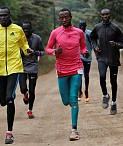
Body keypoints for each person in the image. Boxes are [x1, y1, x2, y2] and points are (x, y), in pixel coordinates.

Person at [0, 6, 33, 144]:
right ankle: (9, 96)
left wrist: (28, 50)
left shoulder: (18, 29)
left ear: (9, 15)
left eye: (5, 15)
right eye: (0, 15)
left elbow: (24, 44)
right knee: (3, 101)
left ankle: (9, 133)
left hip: (14, 67)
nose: (2, 17)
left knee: (9, 99)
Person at [46, 8, 89, 141]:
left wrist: (84, 52)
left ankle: (74, 130)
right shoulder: (55, 32)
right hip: (61, 70)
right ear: (60, 19)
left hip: (76, 68)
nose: (64, 20)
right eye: (62, 18)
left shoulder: (79, 32)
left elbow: (83, 47)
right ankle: (71, 104)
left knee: (73, 99)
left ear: (71, 17)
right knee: (66, 101)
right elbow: (47, 48)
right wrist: (55, 52)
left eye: (66, 17)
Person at [90, 9, 123, 115]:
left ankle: (114, 103)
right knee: (102, 76)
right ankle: (105, 95)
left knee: (113, 82)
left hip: (113, 58)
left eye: (107, 14)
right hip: (102, 57)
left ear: (110, 15)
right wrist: (95, 46)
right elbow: (92, 38)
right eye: (103, 15)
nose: (105, 16)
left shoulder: (115, 28)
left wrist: (115, 44)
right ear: (100, 16)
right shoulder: (97, 27)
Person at [19, 20, 44, 119]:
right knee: (23, 88)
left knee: (32, 90)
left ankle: (30, 110)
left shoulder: (37, 38)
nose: (25, 30)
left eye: (27, 29)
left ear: (31, 29)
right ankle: (25, 94)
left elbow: (42, 51)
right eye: (23, 29)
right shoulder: (19, 39)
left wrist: (34, 52)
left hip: (33, 66)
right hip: (21, 66)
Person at [78, 19, 92, 102]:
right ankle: (79, 92)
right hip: (79, 57)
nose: (82, 27)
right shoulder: (76, 33)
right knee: (79, 74)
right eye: (80, 25)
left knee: (86, 75)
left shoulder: (89, 33)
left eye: (83, 25)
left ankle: (86, 91)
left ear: (86, 25)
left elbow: (93, 43)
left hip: (88, 57)